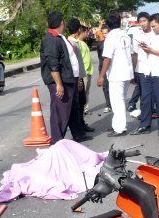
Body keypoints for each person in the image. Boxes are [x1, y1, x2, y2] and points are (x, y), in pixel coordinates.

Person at [40, 11, 91, 144]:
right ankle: (58, 141)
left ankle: (78, 134)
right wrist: (59, 84)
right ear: (61, 23)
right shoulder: (51, 39)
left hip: (70, 79)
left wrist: (77, 79)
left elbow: (71, 60)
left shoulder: (60, 37)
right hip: (60, 81)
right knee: (60, 112)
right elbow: (53, 64)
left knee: (73, 108)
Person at [134, 13, 159, 137]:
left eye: (154, 26)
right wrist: (146, 48)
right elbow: (149, 52)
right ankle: (144, 125)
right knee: (146, 99)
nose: (153, 28)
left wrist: (151, 50)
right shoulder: (153, 35)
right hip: (148, 71)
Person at [97, 11, 133, 137]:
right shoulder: (126, 36)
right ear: (119, 23)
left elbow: (107, 59)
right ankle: (117, 125)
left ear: (108, 24)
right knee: (120, 101)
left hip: (117, 74)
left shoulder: (111, 37)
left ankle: (120, 128)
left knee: (117, 102)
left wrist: (101, 76)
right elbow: (133, 55)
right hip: (127, 73)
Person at [67, 17, 95, 133]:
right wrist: (78, 80)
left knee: (82, 101)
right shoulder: (70, 43)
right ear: (78, 29)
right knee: (78, 104)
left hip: (81, 75)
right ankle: (78, 128)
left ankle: (82, 124)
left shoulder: (77, 42)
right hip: (77, 77)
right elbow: (74, 63)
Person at [129, 12, 155, 135]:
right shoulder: (136, 34)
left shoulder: (155, 35)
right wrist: (133, 72)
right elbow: (135, 54)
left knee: (146, 98)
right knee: (144, 97)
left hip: (149, 70)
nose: (143, 23)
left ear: (149, 21)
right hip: (139, 69)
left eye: (144, 20)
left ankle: (145, 124)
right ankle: (146, 120)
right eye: (140, 21)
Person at [96, 24, 111, 113]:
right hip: (103, 67)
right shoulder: (100, 44)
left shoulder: (114, 41)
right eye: (103, 33)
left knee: (113, 86)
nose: (105, 35)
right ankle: (108, 104)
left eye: (106, 33)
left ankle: (114, 103)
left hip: (112, 67)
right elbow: (100, 56)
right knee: (105, 86)